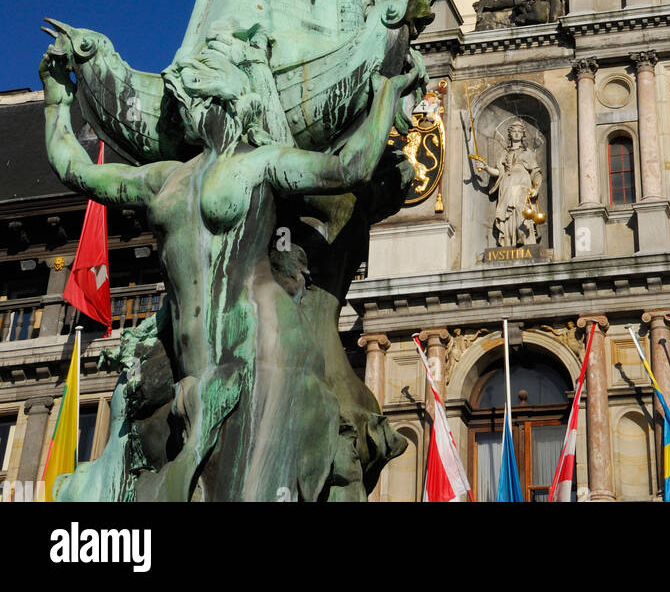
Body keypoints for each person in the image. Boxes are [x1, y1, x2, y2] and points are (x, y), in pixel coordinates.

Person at [39, 36, 424, 502]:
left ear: (234, 97)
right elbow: (74, 169)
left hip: (263, 335)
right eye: (187, 92)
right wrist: (56, 97)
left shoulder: (261, 163)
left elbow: (349, 167)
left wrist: (386, 92)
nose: (189, 99)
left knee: (254, 485)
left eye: (201, 87)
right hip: (194, 349)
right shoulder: (163, 177)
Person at [472, 120, 543, 247]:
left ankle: (524, 238)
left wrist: (536, 188)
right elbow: (498, 172)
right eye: (514, 131)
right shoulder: (504, 154)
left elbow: (536, 173)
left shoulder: (528, 154)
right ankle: (509, 241)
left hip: (522, 186)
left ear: (522, 135)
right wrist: (486, 167)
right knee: (507, 215)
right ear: (510, 134)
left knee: (522, 211)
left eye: (519, 132)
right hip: (506, 186)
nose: (516, 134)